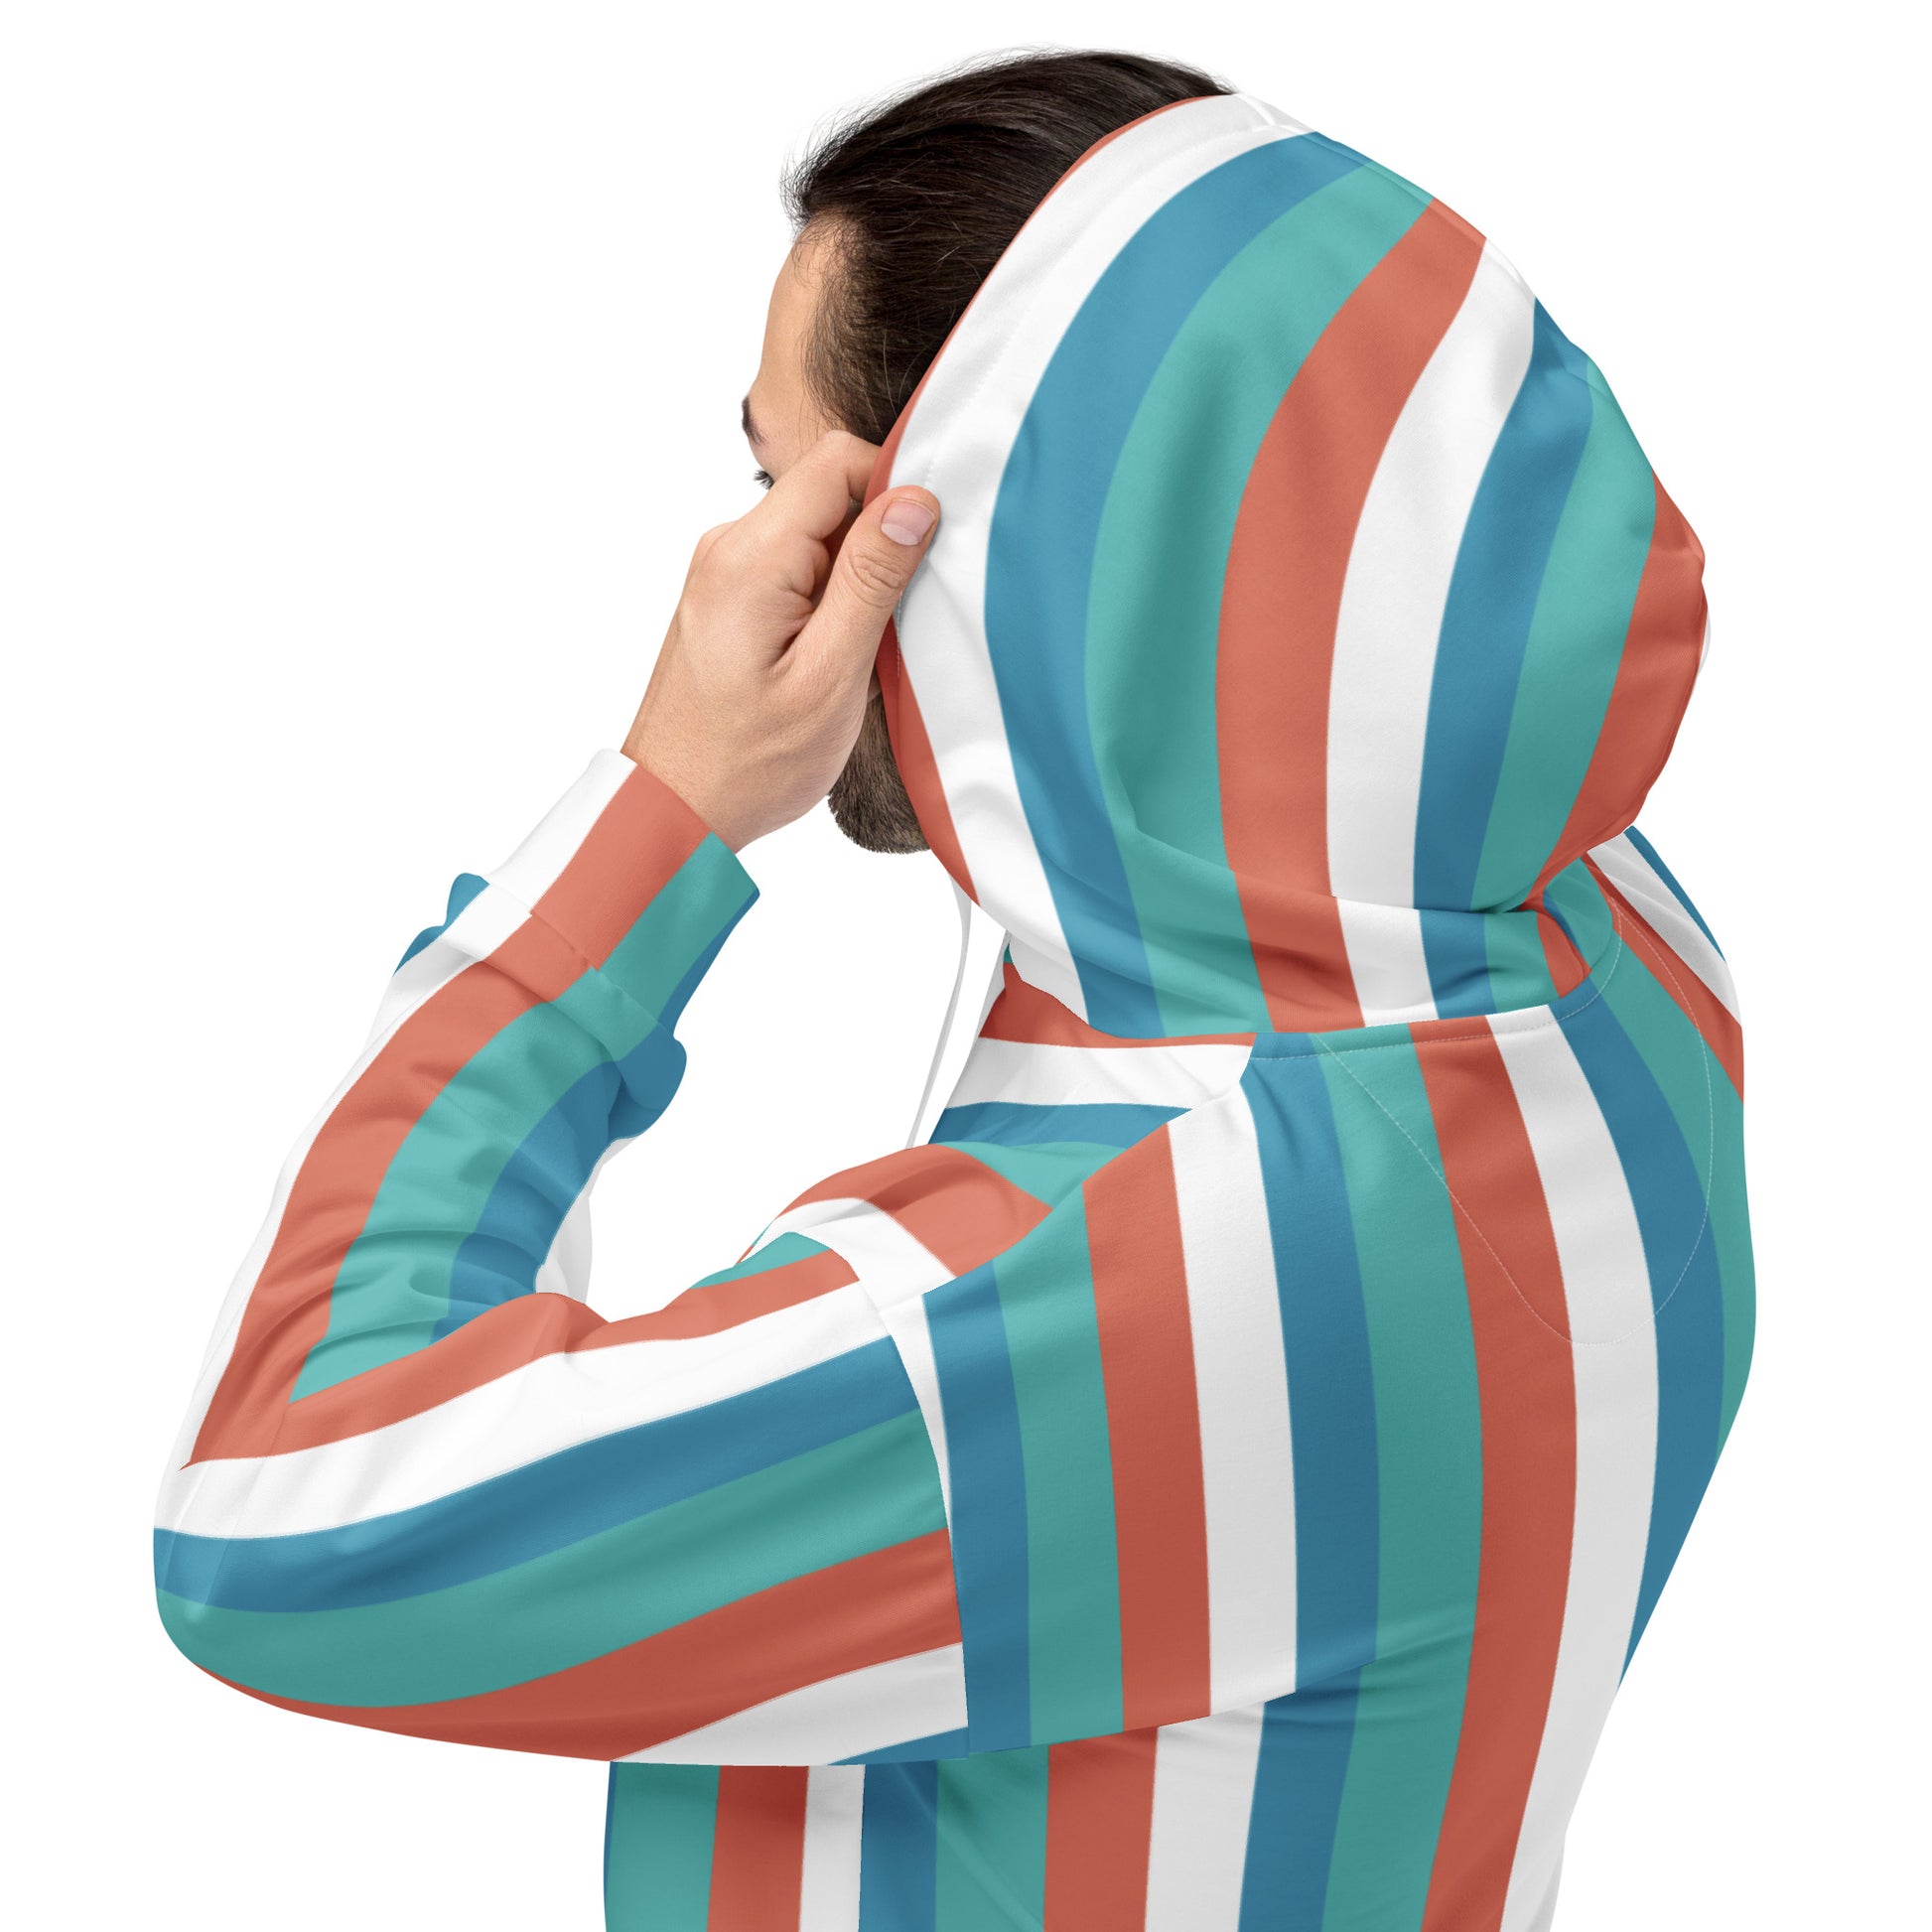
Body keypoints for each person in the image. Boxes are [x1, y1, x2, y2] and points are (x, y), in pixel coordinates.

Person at [156, 51, 1754, 1932]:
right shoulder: (1622, 944)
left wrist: (662, 809)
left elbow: (279, 1511)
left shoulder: (1142, 1277)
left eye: (792, 485)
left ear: (981, 549)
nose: (747, 558)